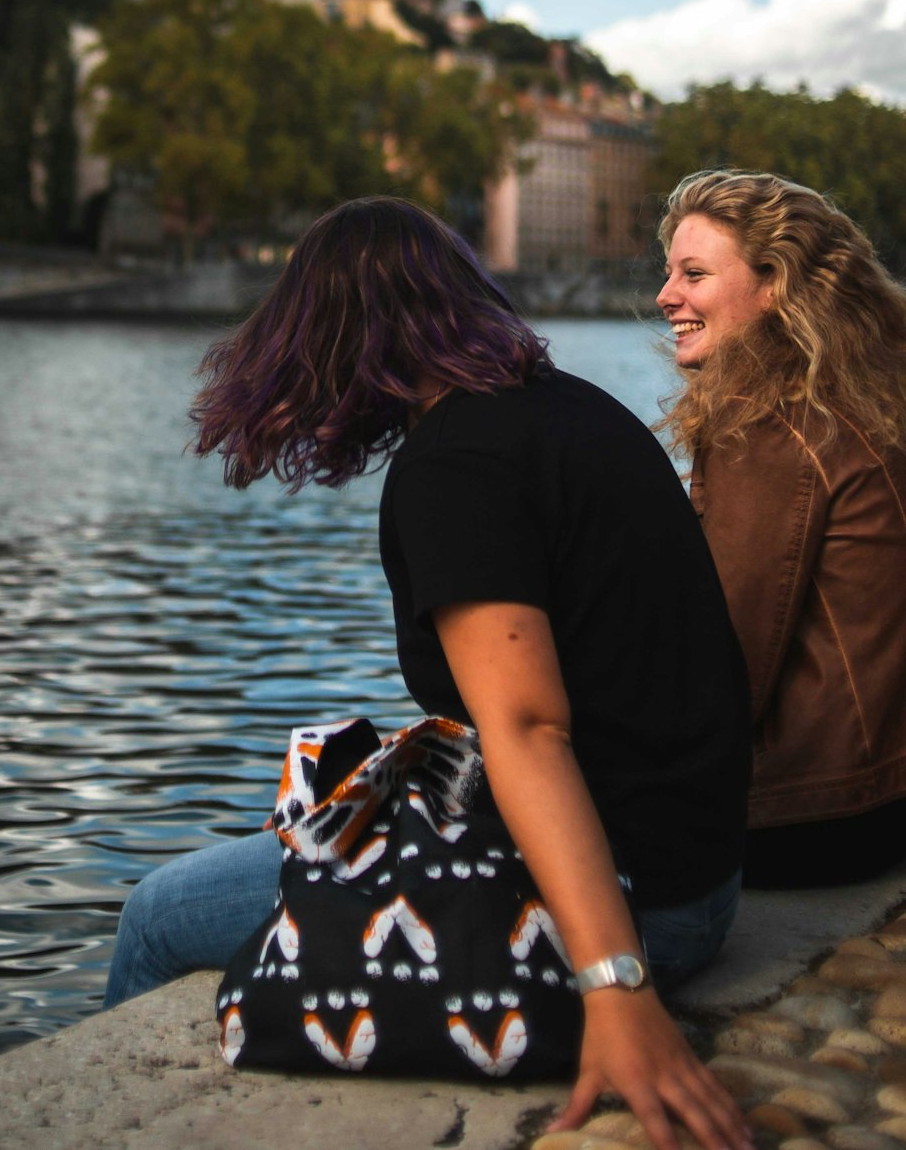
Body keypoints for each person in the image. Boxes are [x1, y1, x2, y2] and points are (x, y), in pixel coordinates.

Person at [106, 197, 752, 1150]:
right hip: (701, 866)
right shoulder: (571, 409)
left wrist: (616, 990)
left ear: (333, 335)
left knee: (158, 915)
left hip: (640, 904)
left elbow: (531, 727)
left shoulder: (458, 466)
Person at [657, 170, 906, 889]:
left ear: (775, 284)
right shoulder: (862, 400)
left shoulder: (769, 428)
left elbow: (723, 672)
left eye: (693, 274)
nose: (665, 295)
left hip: (804, 816)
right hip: (877, 798)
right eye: (669, 271)